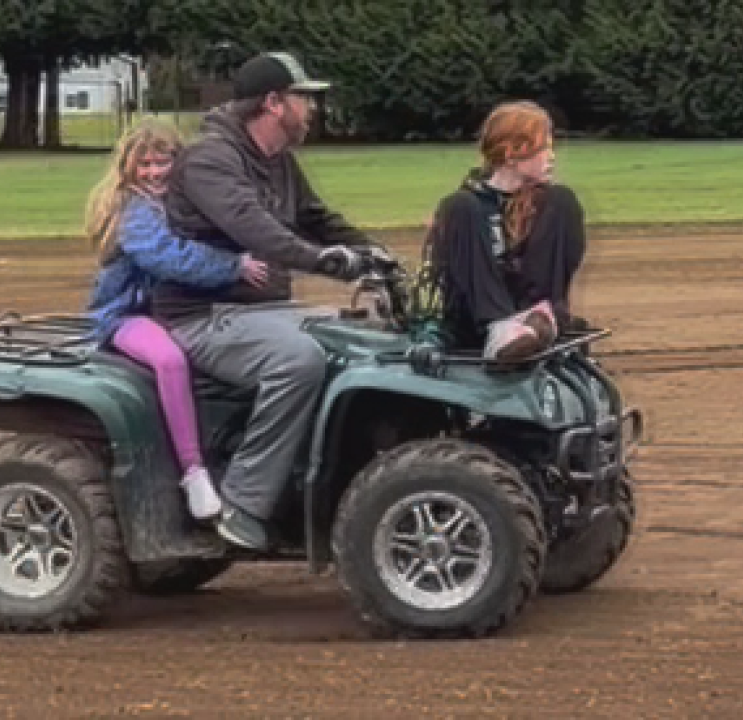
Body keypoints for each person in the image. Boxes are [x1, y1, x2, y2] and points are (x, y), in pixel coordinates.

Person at [151, 51, 386, 551]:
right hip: (203, 317)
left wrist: (377, 256)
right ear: (274, 103)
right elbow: (257, 231)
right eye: (305, 98)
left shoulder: (277, 161)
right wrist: (328, 262)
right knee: (298, 361)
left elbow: (319, 218)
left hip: (261, 312)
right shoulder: (211, 159)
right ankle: (242, 502)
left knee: (365, 340)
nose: (313, 109)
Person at [84, 120, 271, 522]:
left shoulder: (184, 203)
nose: (153, 174)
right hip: (128, 315)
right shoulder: (135, 211)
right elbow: (165, 256)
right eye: (144, 165)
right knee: (170, 361)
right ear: (128, 168)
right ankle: (193, 471)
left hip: (178, 311)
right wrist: (232, 267)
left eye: (162, 162)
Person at [408, 100, 589, 370]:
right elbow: (436, 283)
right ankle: (502, 331)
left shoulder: (550, 204)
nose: (551, 156)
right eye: (544, 148)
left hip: (537, 317)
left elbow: (568, 261)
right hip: (476, 323)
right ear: (511, 154)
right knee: (461, 206)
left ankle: (536, 324)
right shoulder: (465, 206)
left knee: (561, 200)